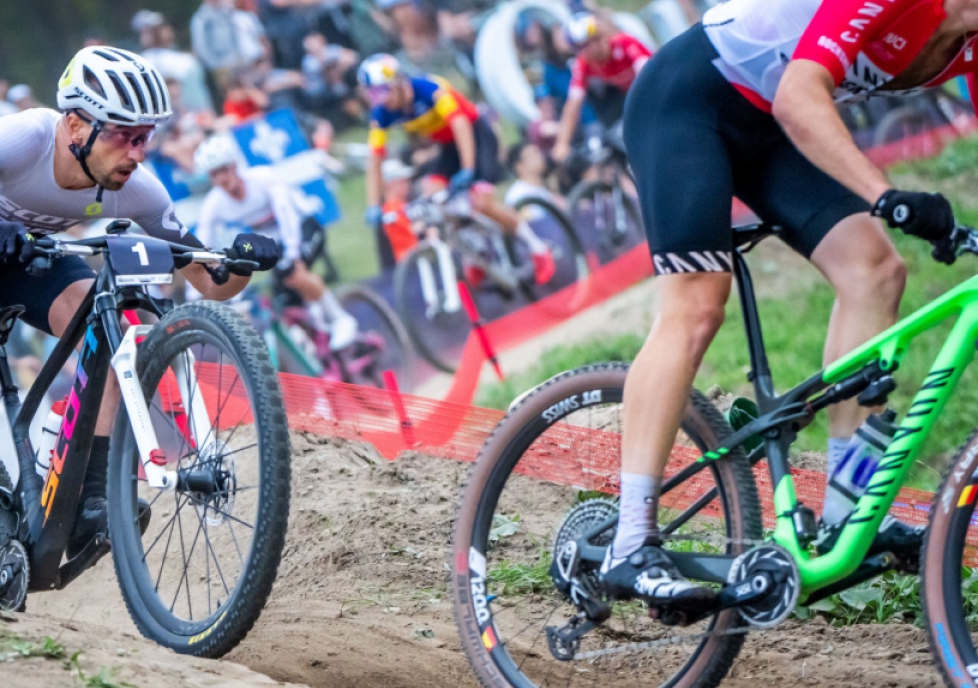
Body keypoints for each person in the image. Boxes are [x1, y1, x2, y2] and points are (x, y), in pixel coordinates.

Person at [602, 0, 978, 609]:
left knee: (874, 272)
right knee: (697, 307)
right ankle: (628, 541)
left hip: (771, 129)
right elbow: (801, 94)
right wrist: (885, 195)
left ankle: (845, 508)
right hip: (692, 99)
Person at [0, 46, 280, 602]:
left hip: (20, 253)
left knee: (109, 330)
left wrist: (241, 263)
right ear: (76, 125)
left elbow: (210, 281)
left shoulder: (137, 189)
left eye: (145, 137)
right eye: (124, 136)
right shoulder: (24, 137)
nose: (138, 152)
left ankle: (91, 500)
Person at [359, 54, 556, 283]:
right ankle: (476, 250)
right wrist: (373, 204)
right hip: (448, 146)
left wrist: (469, 168)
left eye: (383, 92)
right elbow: (374, 158)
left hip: (477, 136)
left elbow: (460, 124)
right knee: (433, 199)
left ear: (399, 82)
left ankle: (538, 248)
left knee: (482, 203)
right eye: (373, 95)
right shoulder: (382, 113)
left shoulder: (428, 88)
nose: (381, 100)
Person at [194, 134, 359, 348]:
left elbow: (286, 214)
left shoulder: (262, 178)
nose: (221, 179)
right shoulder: (214, 203)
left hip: (303, 225)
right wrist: (196, 291)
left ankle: (340, 319)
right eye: (214, 174)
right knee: (283, 302)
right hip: (275, 243)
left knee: (293, 274)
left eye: (224, 170)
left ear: (235, 166)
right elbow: (200, 245)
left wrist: (293, 253)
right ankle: (317, 337)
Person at [551, 14, 652, 164]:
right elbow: (573, 103)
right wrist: (562, 142)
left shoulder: (624, 43)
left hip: (654, 89)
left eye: (596, 39)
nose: (594, 47)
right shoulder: (583, 64)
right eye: (584, 46)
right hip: (635, 98)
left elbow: (649, 74)